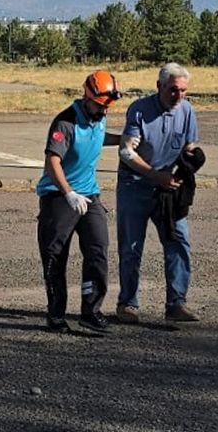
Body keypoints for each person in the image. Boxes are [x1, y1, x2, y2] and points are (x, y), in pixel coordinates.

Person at [35, 70, 123, 334]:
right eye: (99, 106)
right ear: (87, 97)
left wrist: (123, 141)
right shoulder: (66, 122)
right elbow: (53, 160)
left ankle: (91, 311)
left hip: (90, 195)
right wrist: (68, 193)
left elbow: (99, 135)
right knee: (55, 256)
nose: (104, 112)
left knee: (98, 250)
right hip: (58, 195)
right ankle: (56, 314)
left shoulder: (100, 116)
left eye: (107, 107)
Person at [115, 63, 201, 324]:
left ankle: (176, 303)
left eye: (184, 91)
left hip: (168, 190)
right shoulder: (139, 110)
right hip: (135, 186)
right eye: (174, 90)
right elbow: (126, 152)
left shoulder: (186, 111)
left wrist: (191, 161)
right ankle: (128, 304)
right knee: (131, 246)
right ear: (159, 87)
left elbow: (189, 146)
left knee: (178, 242)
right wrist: (155, 175)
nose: (179, 96)